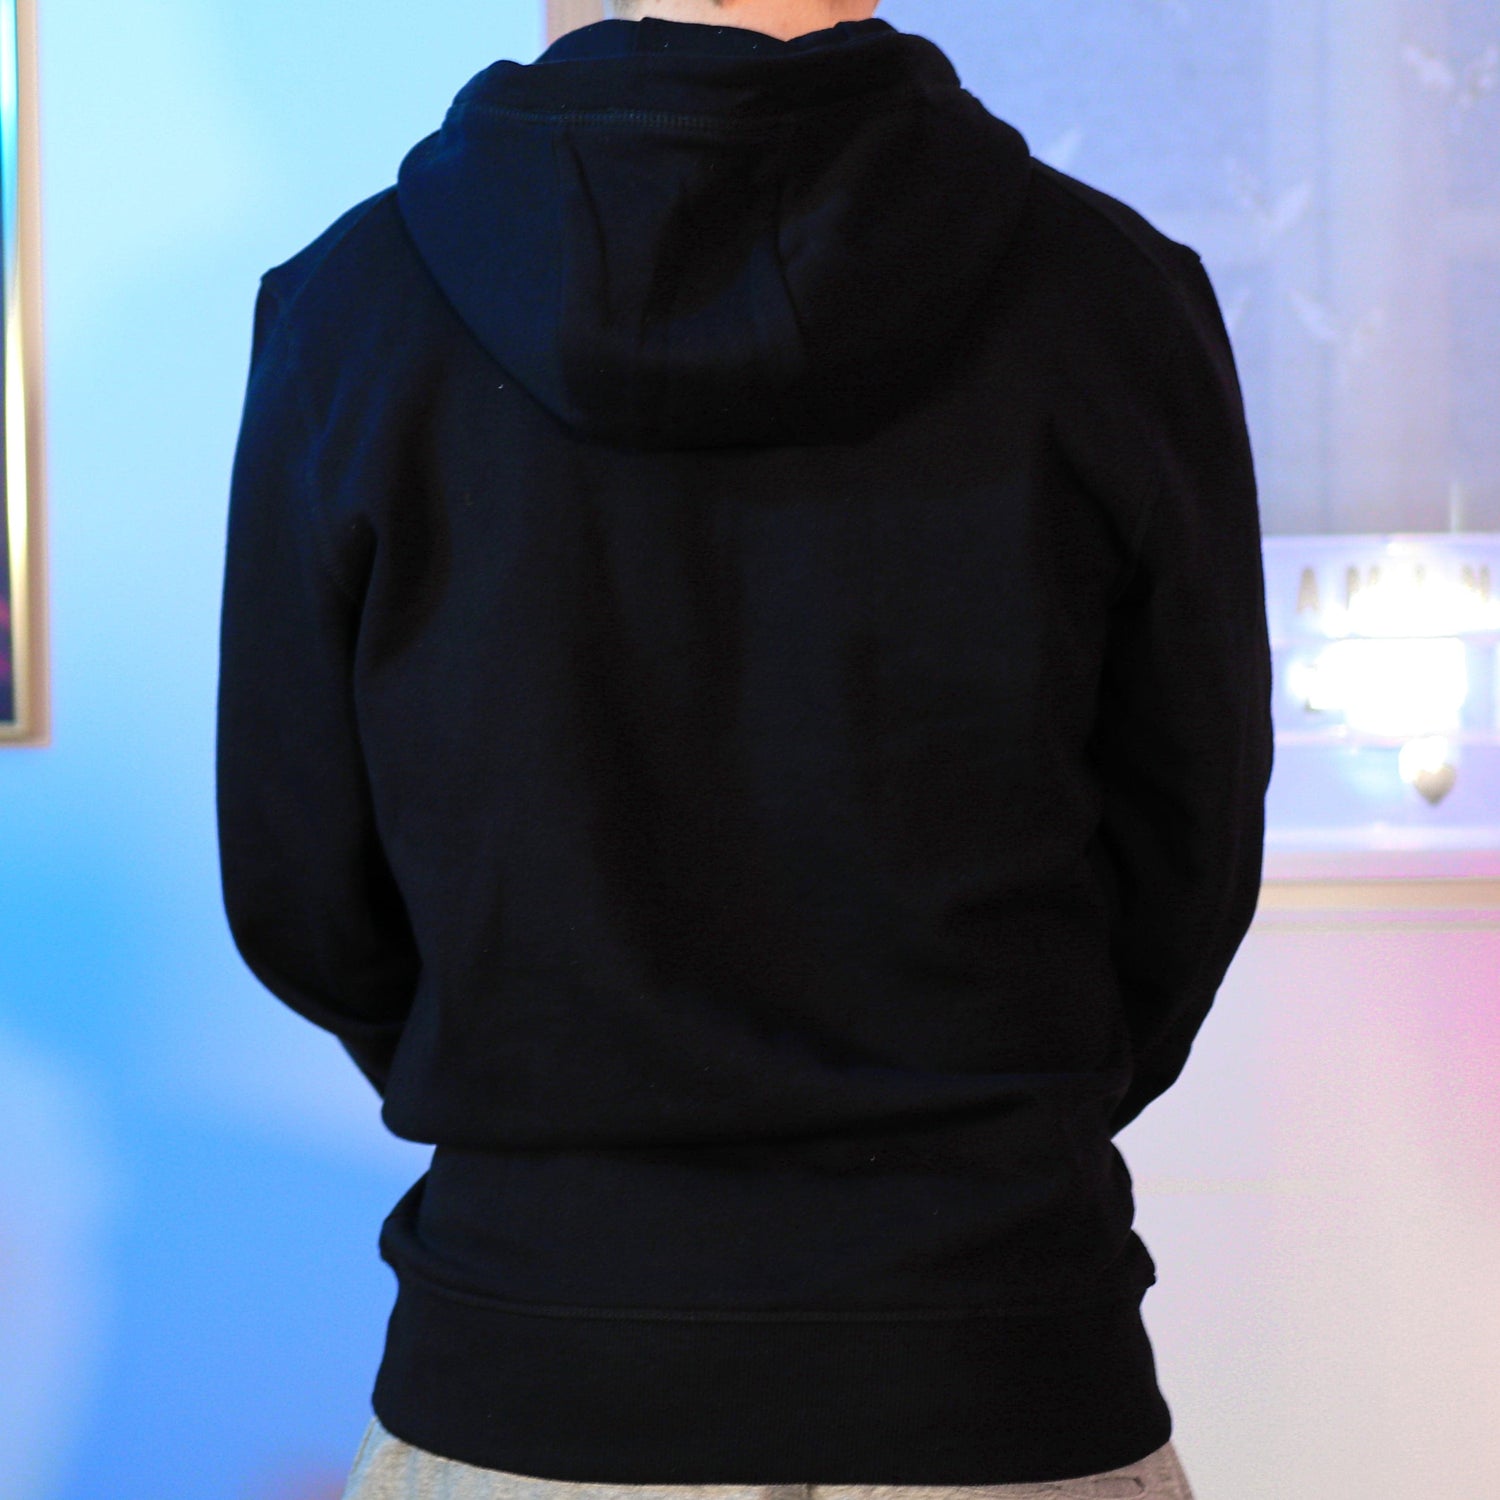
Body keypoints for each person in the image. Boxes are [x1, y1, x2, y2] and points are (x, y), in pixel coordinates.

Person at [214, 0, 1275, 1495]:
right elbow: (1190, 853)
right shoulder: (1112, 293)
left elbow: (300, 879)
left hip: (539, 1344)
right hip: (991, 1344)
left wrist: (535, 1098)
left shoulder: (350, 306)